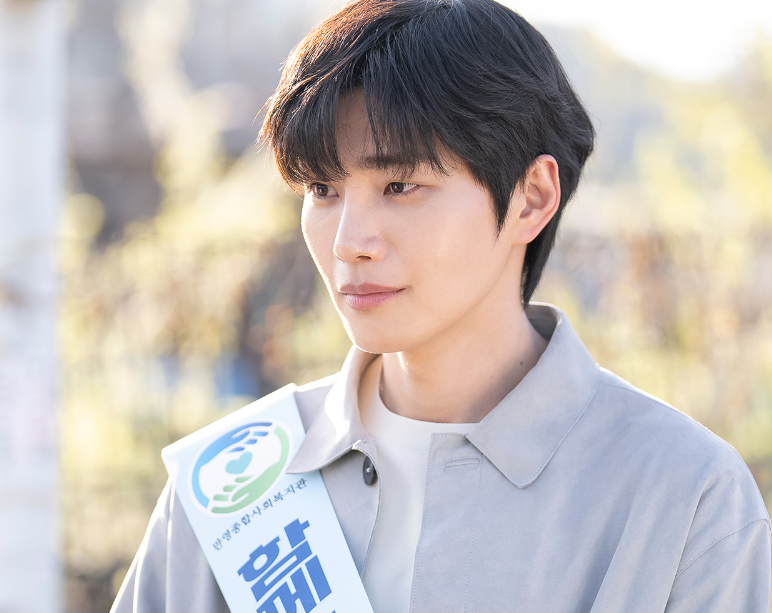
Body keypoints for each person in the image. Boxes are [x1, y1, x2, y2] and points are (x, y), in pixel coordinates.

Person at [111, 0, 771, 611]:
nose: (349, 242)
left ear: (532, 198)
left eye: (400, 185)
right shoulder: (232, 486)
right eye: (322, 188)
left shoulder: (683, 494)